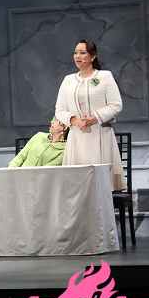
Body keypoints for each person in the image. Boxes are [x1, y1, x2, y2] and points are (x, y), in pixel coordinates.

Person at [55, 39, 127, 191]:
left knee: (100, 185)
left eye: (82, 53)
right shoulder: (68, 80)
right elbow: (59, 110)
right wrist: (74, 121)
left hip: (99, 134)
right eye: (75, 53)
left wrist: (94, 118)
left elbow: (116, 105)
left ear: (93, 56)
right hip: (76, 137)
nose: (78, 56)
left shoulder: (105, 76)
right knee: (76, 186)